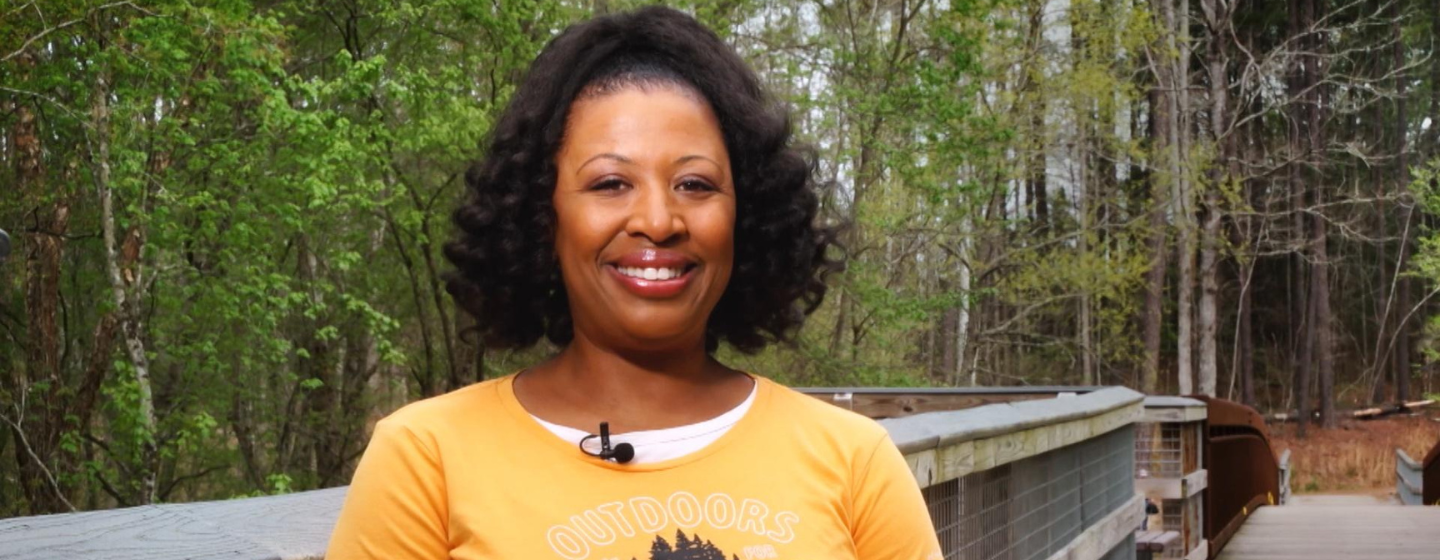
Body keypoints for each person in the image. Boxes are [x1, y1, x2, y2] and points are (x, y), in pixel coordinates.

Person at [325, 7, 942, 560]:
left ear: (745, 214)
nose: (658, 220)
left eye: (695, 184)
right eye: (610, 184)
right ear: (543, 215)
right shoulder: (427, 458)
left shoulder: (854, 462)